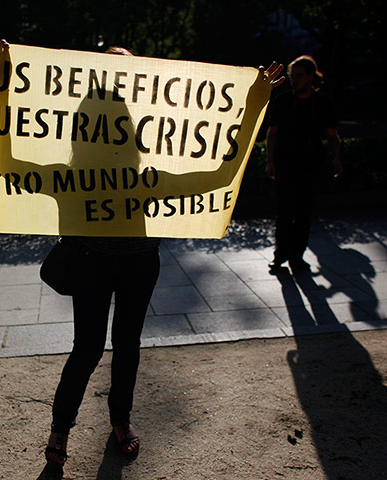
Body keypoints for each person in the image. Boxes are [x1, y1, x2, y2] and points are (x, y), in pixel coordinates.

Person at [35, 44, 286, 468]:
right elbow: (9, 162)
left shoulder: (141, 172)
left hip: (137, 264)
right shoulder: (75, 175)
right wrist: (2, 83)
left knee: (123, 345)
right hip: (94, 262)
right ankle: (63, 427)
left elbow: (221, 173)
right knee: (90, 348)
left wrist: (252, 106)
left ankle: (116, 421)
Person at [265, 55, 342, 275]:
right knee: (284, 211)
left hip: (310, 164)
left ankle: (296, 257)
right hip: (285, 163)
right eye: (292, 76)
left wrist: (336, 158)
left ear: (310, 76)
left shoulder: (323, 103)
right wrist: (270, 161)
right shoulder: (283, 101)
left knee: (303, 213)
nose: (294, 80)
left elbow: (331, 135)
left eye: (299, 76)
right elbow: (272, 133)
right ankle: (281, 255)